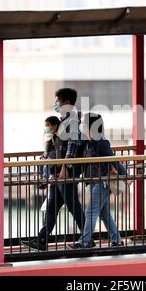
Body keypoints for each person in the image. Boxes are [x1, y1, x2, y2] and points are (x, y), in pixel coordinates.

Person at [22, 88, 86, 250]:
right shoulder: (64, 119)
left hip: (66, 172)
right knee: (52, 207)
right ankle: (42, 240)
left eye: (57, 100)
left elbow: (73, 145)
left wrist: (65, 167)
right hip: (58, 172)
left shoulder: (72, 120)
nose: (55, 103)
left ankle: (88, 238)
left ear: (65, 102)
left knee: (73, 207)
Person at [70, 113, 124, 249]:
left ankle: (85, 241)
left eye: (84, 123)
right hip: (94, 182)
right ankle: (117, 240)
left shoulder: (101, 142)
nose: (82, 125)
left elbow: (114, 160)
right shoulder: (89, 143)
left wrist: (126, 176)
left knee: (90, 211)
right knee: (103, 213)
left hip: (103, 182)